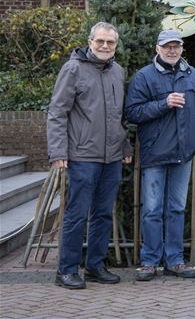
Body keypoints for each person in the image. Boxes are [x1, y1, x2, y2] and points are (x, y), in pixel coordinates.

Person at [47, 22, 131, 290]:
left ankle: (95, 266)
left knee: (104, 214)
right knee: (77, 214)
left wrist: (125, 146)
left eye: (110, 43)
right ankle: (67, 270)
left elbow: (118, 116)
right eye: (100, 42)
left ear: (116, 46)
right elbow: (57, 112)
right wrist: (58, 151)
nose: (105, 46)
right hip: (83, 155)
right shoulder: (73, 69)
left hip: (112, 157)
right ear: (90, 41)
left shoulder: (117, 71)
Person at [125, 29, 195, 282]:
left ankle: (175, 261)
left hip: (183, 156)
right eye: (167, 46)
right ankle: (150, 261)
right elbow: (132, 113)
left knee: (176, 209)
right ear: (157, 49)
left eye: (176, 46)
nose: (172, 50)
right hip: (155, 155)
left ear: (182, 49)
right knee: (152, 210)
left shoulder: (192, 76)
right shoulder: (144, 77)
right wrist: (164, 104)